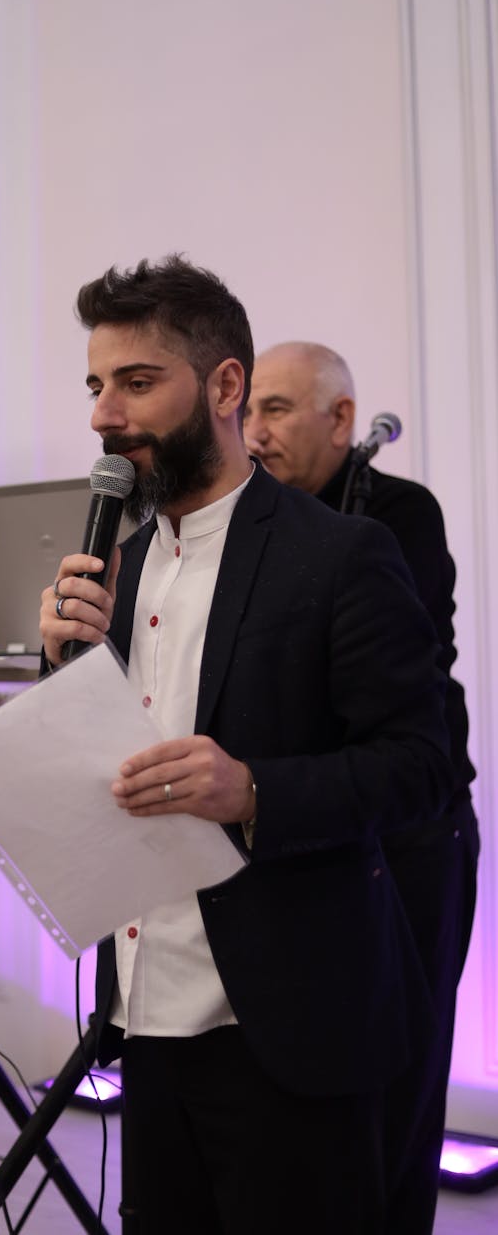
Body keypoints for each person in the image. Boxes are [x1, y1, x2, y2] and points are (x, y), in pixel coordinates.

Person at [39, 259, 453, 1235]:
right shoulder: (122, 560)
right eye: (96, 386)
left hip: (289, 1020)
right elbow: (104, 769)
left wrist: (253, 787)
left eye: (137, 383)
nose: (105, 414)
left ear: (225, 387)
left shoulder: (340, 553)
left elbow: (420, 767)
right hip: (145, 1011)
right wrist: (59, 667)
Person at [243, 339, 480, 1234]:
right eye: (247, 411)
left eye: (274, 409)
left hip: (416, 835)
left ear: (342, 420)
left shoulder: (397, 516)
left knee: (407, 1085)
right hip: (320, 829)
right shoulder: (252, 525)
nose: (252, 430)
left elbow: (390, 682)